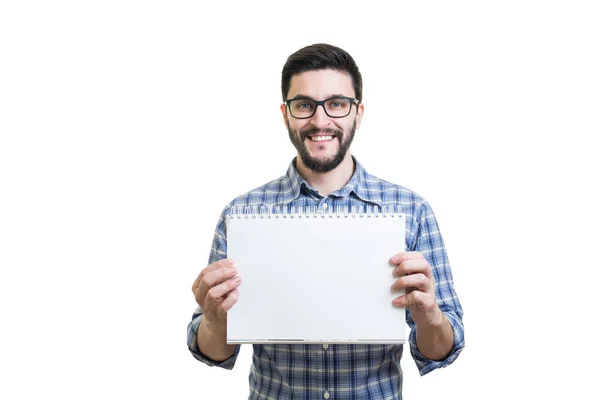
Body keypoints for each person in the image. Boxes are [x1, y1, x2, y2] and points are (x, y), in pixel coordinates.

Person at [188, 43, 464, 399]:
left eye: (336, 104)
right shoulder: (242, 214)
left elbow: (441, 350)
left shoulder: (411, 210)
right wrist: (214, 319)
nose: (321, 121)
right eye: (304, 105)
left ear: (358, 113)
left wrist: (429, 318)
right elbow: (214, 351)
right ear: (286, 114)